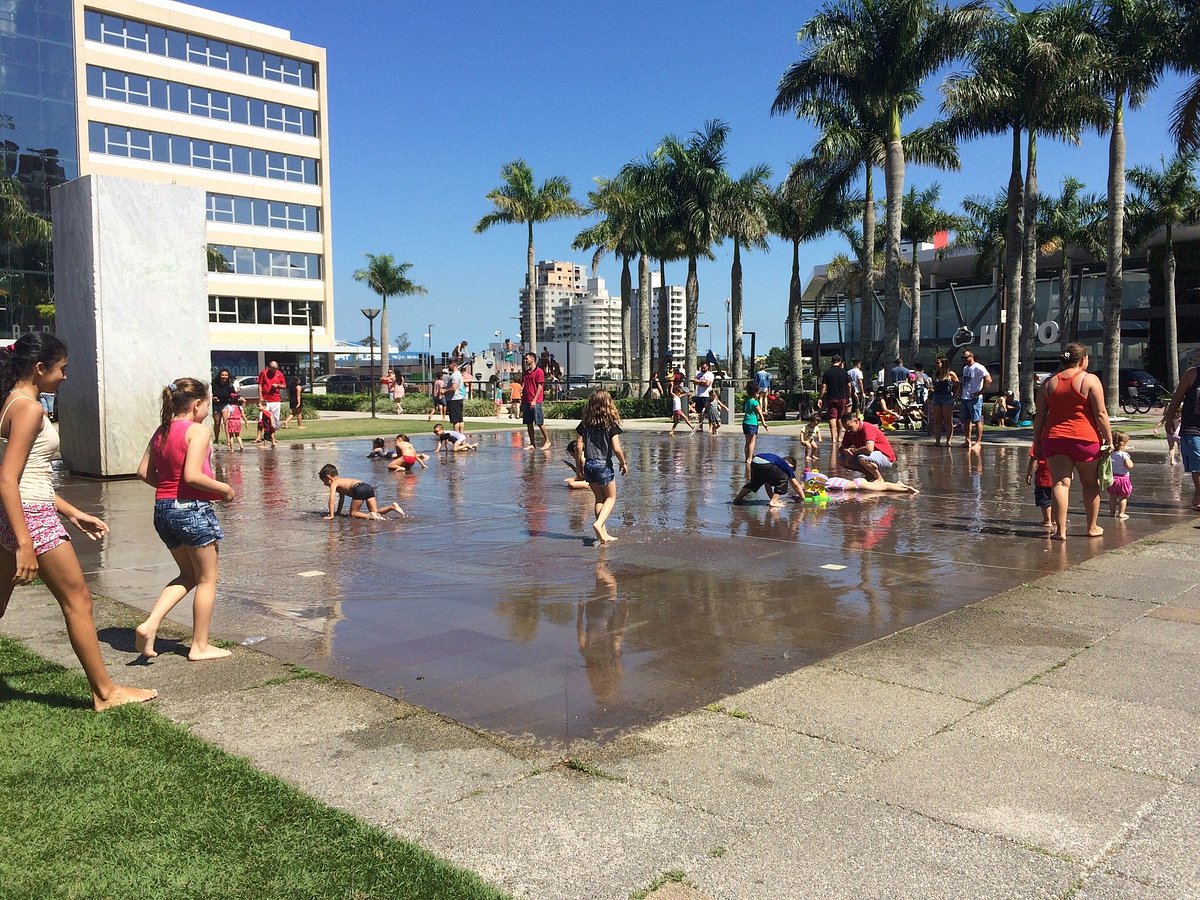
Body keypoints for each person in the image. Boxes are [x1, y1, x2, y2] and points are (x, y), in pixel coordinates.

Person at [0, 333, 157, 710]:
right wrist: (25, 542)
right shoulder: (30, 408)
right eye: (62, 369)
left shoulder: (10, 402)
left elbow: (27, 474)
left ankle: (105, 690)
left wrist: (72, 512)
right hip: (31, 518)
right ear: (40, 368)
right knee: (78, 601)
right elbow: (8, 478)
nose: (66, 377)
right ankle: (105, 692)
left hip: (18, 511)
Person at [134, 376, 236, 662]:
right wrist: (225, 490)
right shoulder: (197, 431)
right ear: (196, 405)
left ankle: (150, 624)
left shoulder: (162, 430)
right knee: (207, 579)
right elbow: (193, 475)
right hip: (191, 510)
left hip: (163, 510)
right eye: (206, 404)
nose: (207, 409)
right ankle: (199, 646)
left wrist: (169, 491)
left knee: (188, 575)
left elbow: (143, 472)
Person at [1031, 342, 1112, 540]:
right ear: (1083, 360)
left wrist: (1037, 441)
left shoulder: (1048, 384)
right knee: (1090, 483)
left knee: (1059, 483)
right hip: (1085, 439)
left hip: (1054, 438)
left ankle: (1060, 531)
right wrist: (1109, 439)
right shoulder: (1090, 380)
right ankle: (1092, 527)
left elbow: (1039, 416)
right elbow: (1101, 413)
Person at [574, 390, 628, 544]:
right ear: (607, 405)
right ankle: (598, 524)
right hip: (603, 465)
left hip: (589, 464)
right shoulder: (610, 425)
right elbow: (617, 448)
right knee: (611, 498)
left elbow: (578, 447)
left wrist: (579, 467)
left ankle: (602, 535)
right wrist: (623, 463)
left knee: (599, 498)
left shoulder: (584, 424)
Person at [1163, 362, 1200, 510]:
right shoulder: (1192, 374)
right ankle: (1198, 493)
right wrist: (1169, 417)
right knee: (1197, 461)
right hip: (1193, 427)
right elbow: (1178, 396)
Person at [318, 464, 404, 520]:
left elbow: (331, 499)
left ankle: (369, 516)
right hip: (367, 487)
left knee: (353, 513)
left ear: (328, 477)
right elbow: (341, 499)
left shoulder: (334, 483)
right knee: (376, 512)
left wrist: (331, 515)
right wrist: (338, 512)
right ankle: (392, 507)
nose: (325, 484)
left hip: (358, 489)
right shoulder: (342, 481)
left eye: (324, 481)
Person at [837, 412, 896, 482]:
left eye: (850, 427)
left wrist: (854, 452)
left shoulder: (867, 428)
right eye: (846, 429)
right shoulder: (849, 432)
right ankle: (869, 475)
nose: (848, 430)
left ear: (856, 421)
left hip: (886, 458)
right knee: (841, 459)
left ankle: (879, 478)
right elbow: (841, 448)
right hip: (871, 457)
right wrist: (845, 451)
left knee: (862, 457)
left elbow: (869, 449)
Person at [733, 453, 803, 508]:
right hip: (767, 463)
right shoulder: (787, 467)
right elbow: (796, 485)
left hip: (755, 460)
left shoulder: (777, 463)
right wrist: (802, 497)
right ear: (791, 466)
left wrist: (772, 498)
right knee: (784, 478)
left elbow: (767, 485)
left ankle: (737, 499)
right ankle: (774, 501)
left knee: (755, 482)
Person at [959, 350, 992, 450]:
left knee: (977, 420)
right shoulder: (965, 368)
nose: (964, 360)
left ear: (971, 356)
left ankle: (978, 442)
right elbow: (964, 382)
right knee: (966, 420)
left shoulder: (979, 367)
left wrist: (980, 392)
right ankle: (967, 440)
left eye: (966, 357)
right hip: (965, 397)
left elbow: (988, 379)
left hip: (975, 398)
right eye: (963, 358)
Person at [818, 355, 852, 445]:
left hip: (831, 397)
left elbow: (824, 386)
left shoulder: (827, 373)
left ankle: (833, 438)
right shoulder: (844, 372)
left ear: (831, 362)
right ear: (840, 362)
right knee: (840, 418)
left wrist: (820, 398)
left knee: (832, 418)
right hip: (842, 397)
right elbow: (849, 385)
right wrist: (849, 396)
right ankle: (839, 437)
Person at [521, 352, 551, 450]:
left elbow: (540, 386)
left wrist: (534, 400)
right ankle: (532, 443)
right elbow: (524, 386)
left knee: (539, 422)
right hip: (526, 400)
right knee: (529, 423)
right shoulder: (526, 373)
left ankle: (547, 441)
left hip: (536, 401)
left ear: (532, 359)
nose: (525, 360)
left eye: (527, 359)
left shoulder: (539, 372)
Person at [807, 470, 919, 495]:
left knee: (884, 488)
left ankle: (906, 490)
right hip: (858, 482)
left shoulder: (826, 485)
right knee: (881, 485)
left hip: (859, 485)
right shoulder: (830, 480)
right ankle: (899, 485)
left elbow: (819, 491)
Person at [929, 356, 959, 446]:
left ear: (943, 363)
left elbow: (957, 384)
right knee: (937, 420)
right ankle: (937, 440)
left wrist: (954, 394)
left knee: (947, 420)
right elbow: (932, 385)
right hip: (937, 396)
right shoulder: (935, 374)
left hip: (947, 397)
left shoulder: (950, 374)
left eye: (938, 363)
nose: (937, 365)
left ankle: (948, 440)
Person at [1107, 429, 1134, 520]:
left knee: (1112, 497)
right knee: (1123, 497)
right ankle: (1121, 513)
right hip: (1123, 479)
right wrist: (1130, 460)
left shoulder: (1110, 454)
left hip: (1112, 478)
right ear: (1122, 445)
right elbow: (1129, 465)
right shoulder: (1124, 455)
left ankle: (1112, 512)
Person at [1026, 446, 1054, 531]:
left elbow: (1033, 459)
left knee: (1045, 500)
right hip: (1058, 476)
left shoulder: (1039, 442)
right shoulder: (1061, 440)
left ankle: (1047, 520)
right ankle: (1055, 520)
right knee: (1056, 499)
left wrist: (1029, 473)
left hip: (1044, 477)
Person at [255, 360, 286, 436]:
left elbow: (284, 385)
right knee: (261, 418)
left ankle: (272, 437)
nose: (274, 370)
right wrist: (260, 397)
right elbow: (260, 385)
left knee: (274, 419)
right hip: (265, 400)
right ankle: (258, 436)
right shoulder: (264, 373)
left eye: (276, 368)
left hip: (275, 399)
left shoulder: (279, 374)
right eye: (273, 368)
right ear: (269, 367)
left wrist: (278, 385)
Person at [742, 381, 768, 474]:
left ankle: (747, 457)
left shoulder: (747, 401)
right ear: (755, 393)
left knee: (747, 441)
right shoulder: (755, 403)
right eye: (757, 393)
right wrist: (764, 423)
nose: (758, 394)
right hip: (752, 423)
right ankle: (750, 458)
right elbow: (760, 414)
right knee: (752, 442)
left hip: (745, 422)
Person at [211, 368, 235, 444]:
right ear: (220, 375)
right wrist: (213, 398)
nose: (224, 377)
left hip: (225, 404)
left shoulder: (230, 384)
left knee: (226, 422)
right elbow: (210, 394)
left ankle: (228, 440)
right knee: (217, 423)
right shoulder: (214, 383)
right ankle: (216, 439)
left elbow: (233, 394)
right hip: (216, 405)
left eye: (226, 375)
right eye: (222, 375)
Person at [445, 360, 466, 433]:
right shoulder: (458, 374)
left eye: (449, 365)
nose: (448, 366)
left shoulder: (455, 375)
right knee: (460, 419)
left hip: (454, 399)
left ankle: (456, 435)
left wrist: (444, 391)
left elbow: (454, 387)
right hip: (459, 398)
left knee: (455, 420)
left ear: (453, 365)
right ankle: (461, 435)